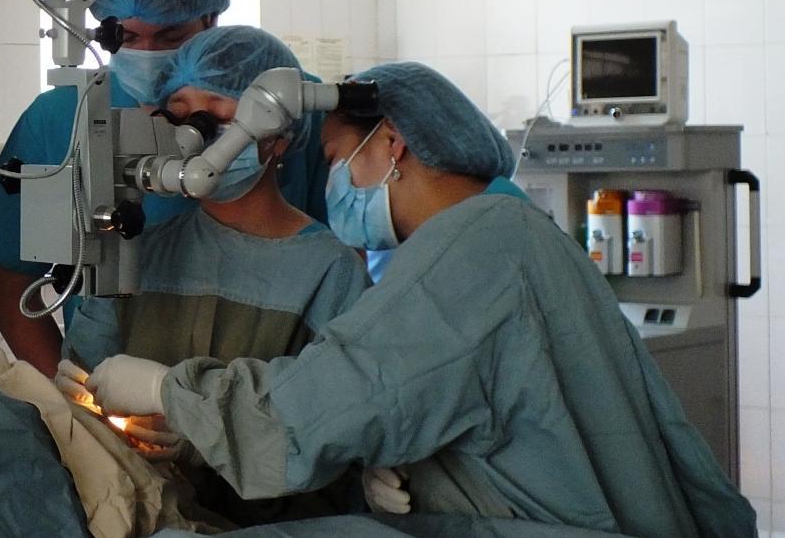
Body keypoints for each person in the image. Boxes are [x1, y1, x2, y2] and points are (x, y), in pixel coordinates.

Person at [82, 62, 756, 536]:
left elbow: (312, 411)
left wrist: (168, 390)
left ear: (392, 145)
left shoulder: (471, 252)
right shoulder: (511, 233)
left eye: (341, 154)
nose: (336, 179)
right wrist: (392, 461)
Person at [0, 0, 331, 377]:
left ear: (210, 18)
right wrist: (74, 412)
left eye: (172, 36)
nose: (149, 54)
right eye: (128, 37)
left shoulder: (288, 105)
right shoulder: (61, 119)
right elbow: (14, 283)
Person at [60, 26, 370, 526]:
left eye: (216, 119)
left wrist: (202, 431)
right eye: (180, 118)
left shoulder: (328, 272)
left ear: (277, 139)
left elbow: (329, 437)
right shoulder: (141, 251)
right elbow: (83, 384)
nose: (193, 141)